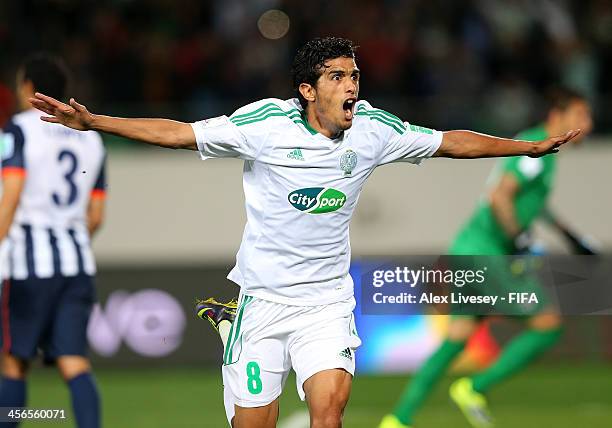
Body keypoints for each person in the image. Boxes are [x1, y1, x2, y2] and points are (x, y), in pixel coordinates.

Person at [30, 37, 580, 428]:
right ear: (307, 90)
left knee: (329, 411)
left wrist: (523, 146)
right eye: (337, 77)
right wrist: (96, 121)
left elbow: (450, 141)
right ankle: (231, 329)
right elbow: (178, 133)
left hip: (326, 301)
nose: (351, 87)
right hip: (264, 299)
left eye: (355, 76)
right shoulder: (264, 125)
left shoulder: (374, 131)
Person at [379, 87, 593, 428]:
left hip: (468, 250)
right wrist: (520, 240)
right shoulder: (535, 147)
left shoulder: (539, 151)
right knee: (547, 325)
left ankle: (397, 419)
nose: (588, 123)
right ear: (558, 115)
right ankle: (474, 387)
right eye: (581, 115)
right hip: (486, 252)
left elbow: (535, 204)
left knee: (459, 334)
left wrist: (572, 238)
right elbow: (500, 196)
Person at [0, 54, 106, 428]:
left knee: (13, 361)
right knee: (74, 361)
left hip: (27, 266)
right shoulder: (90, 138)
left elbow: (11, 193)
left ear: (29, 89)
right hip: (76, 265)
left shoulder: (18, 129)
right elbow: (96, 216)